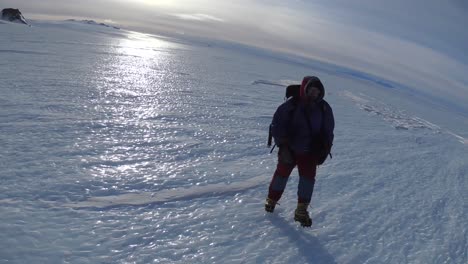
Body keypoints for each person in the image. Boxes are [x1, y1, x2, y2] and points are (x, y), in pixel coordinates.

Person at [265, 76, 335, 227]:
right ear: (305, 89)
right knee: (281, 175)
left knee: (307, 180)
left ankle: (301, 211)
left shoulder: (324, 108)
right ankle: (271, 200)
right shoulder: (292, 104)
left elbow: (328, 131)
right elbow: (277, 124)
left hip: (310, 151)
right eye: (311, 90)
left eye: (317, 91)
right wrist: (282, 145)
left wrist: (325, 149)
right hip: (289, 149)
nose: (314, 93)